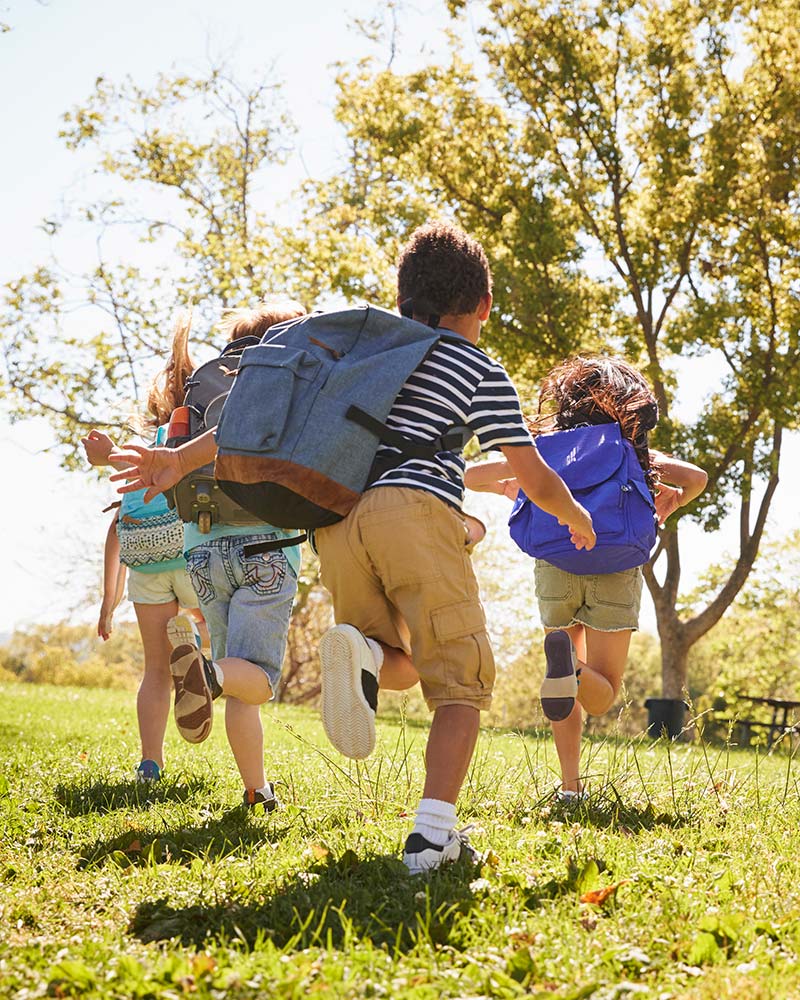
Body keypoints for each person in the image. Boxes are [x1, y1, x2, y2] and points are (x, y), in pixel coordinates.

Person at [312, 222, 595, 874]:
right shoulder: (476, 366)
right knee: (461, 684)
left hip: (336, 520)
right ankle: (430, 840)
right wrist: (575, 514)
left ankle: (361, 654)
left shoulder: (368, 348)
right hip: (413, 513)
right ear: (484, 304)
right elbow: (532, 474)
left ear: (403, 296)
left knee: (399, 661)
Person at [465, 355, 708, 801]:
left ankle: (570, 786)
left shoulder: (544, 450)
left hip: (556, 562)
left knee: (561, 685)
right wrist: (669, 504)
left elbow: (472, 475)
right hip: (616, 563)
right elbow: (696, 478)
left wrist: (511, 484)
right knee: (602, 693)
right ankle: (573, 668)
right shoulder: (631, 450)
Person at [109, 299, 307, 810]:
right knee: (254, 680)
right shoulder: (285, 379)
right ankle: (208, 673)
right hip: (267, 547)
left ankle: (258, 791)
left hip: (202, 550)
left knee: (240, 671)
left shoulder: (209, 382)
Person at [83, 313, 205, 784]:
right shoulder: (197, 443)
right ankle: (201, 652)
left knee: (155, 669)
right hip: (192, 558)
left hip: (146, 567)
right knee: (218, 631)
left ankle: (150, 763)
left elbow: (116, 528)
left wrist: (108, 600)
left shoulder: (139, 449)